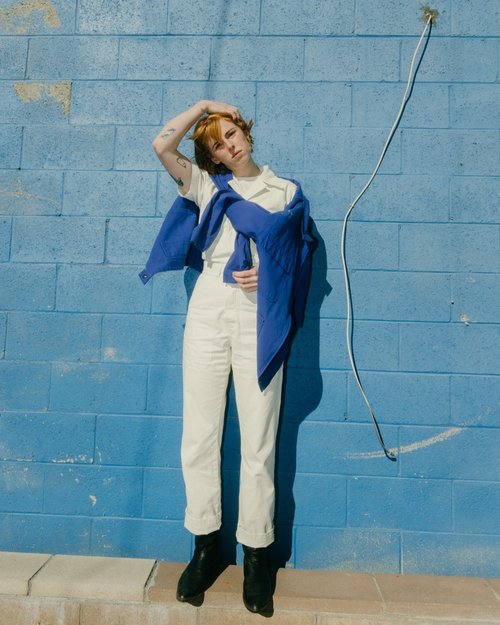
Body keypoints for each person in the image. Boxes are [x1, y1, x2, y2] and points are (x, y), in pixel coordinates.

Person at [146, 99, 314, 613]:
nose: (229, 146)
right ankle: (204, 547)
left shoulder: (285, 192)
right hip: (208, 312)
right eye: (217, 144)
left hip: (257, 316)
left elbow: (297, 258)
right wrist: (205, 106)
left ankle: (257, 555)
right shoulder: (205, 186)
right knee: (200, 433)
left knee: (259, 438)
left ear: (245, 132)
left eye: (232, 134)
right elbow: (162, 145)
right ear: (213, 157)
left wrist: (271, 275)